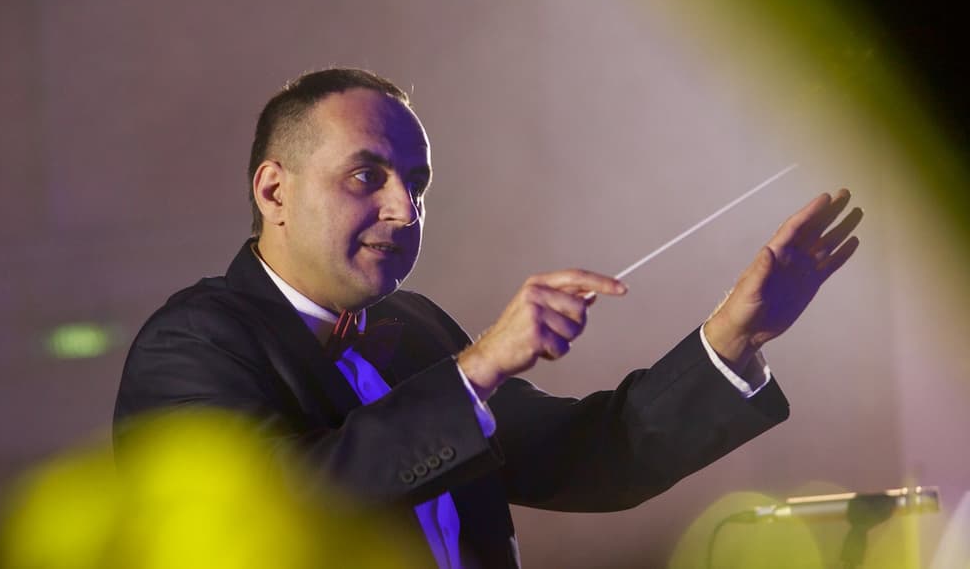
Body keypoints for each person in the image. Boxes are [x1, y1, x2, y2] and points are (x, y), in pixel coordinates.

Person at [113, 68, 862, 568]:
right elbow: (264, 520)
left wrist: (737, 334)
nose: (404, 209)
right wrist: (477, 369)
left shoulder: (413, 328)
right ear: (274, 190)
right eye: (366, 176)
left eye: (417, 182)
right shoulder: (193, 341)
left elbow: (592, 456)